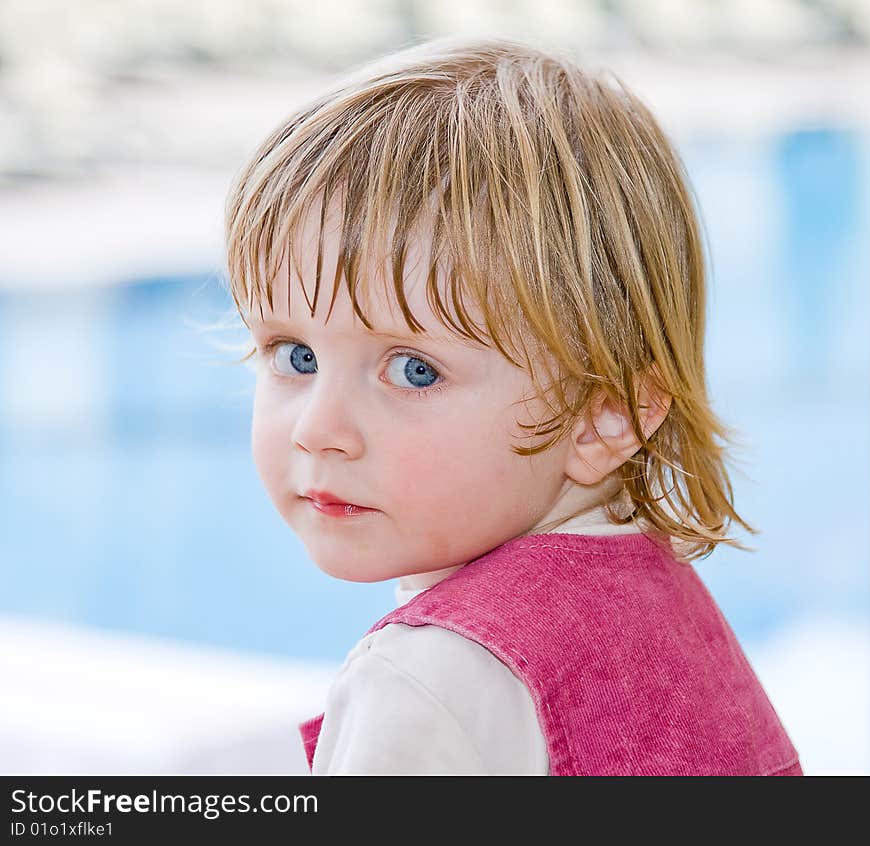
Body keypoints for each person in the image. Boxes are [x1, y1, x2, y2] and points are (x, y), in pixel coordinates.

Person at [224, 37, 802, 775]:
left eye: (412, 370)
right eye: (294, 356)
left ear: (607, 416)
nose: (319, 431)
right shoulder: (666, 615)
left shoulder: (432, 682)